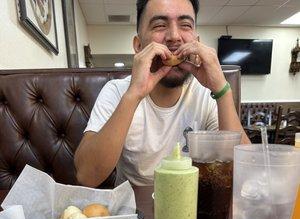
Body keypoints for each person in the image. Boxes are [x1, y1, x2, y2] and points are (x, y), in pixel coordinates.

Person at [74, 0, 250, 188]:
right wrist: (134, 94)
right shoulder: (117, 91)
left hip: (193, 205)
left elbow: (245, 174)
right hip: (135, 209)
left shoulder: (207, 95)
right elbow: (86, 176)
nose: (174, 37)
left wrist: (221, 90)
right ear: (138, 45)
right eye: (159, 25)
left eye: (185, 25)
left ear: (196, 42)